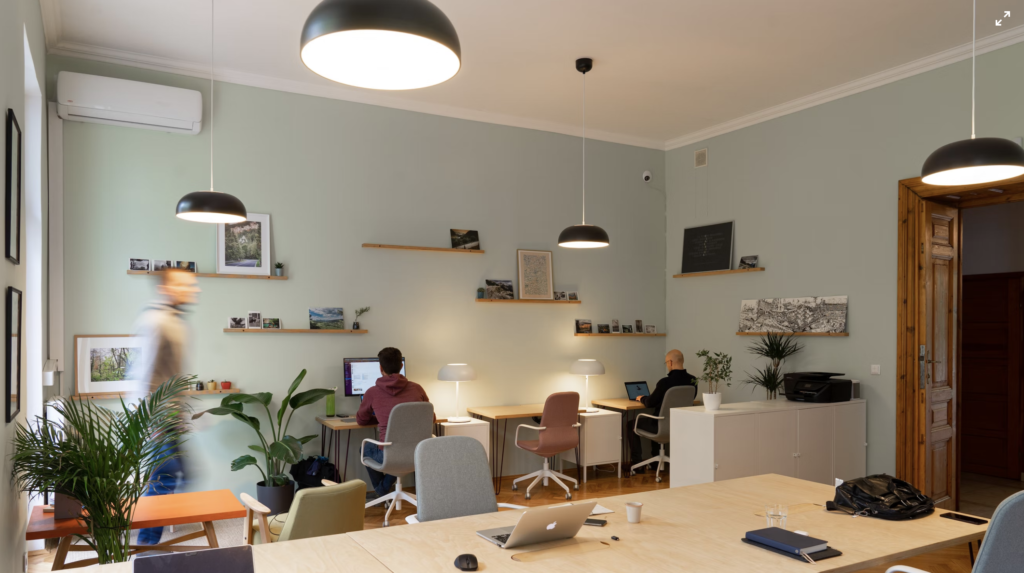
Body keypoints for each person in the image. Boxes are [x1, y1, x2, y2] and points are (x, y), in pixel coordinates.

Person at [130, 268, 200, 545]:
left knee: (185, 476)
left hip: (170, 420)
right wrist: (153, 425)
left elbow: (172, 377)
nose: (195, 289)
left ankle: (150, 540)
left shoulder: (176, 322)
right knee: (165, 481)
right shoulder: (156, 322)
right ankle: (146, 548)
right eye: (186, 285)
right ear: (166, 288)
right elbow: (145, 375)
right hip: (158, 421)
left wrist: (184, 415)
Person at [356, 347, 432, 499]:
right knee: (400, 453)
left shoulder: (372, 392)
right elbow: (430, 418)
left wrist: (378, 417)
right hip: (418, 453)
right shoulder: (417, 389)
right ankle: (383, 489)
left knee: (365, 448)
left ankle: (382, 490)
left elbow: (361, 420)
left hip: (388, 456)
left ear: (380, 368)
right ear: (401, 366)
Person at [627, 349, 697, 472]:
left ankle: (637, 464)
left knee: (631, 424)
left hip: (661, 426)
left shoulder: (665, 382)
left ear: (670, 362)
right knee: (657, 417)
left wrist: (642, 398)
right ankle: (655, 463)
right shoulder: (693, 380)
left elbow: (650, 402)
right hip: (681, 426)